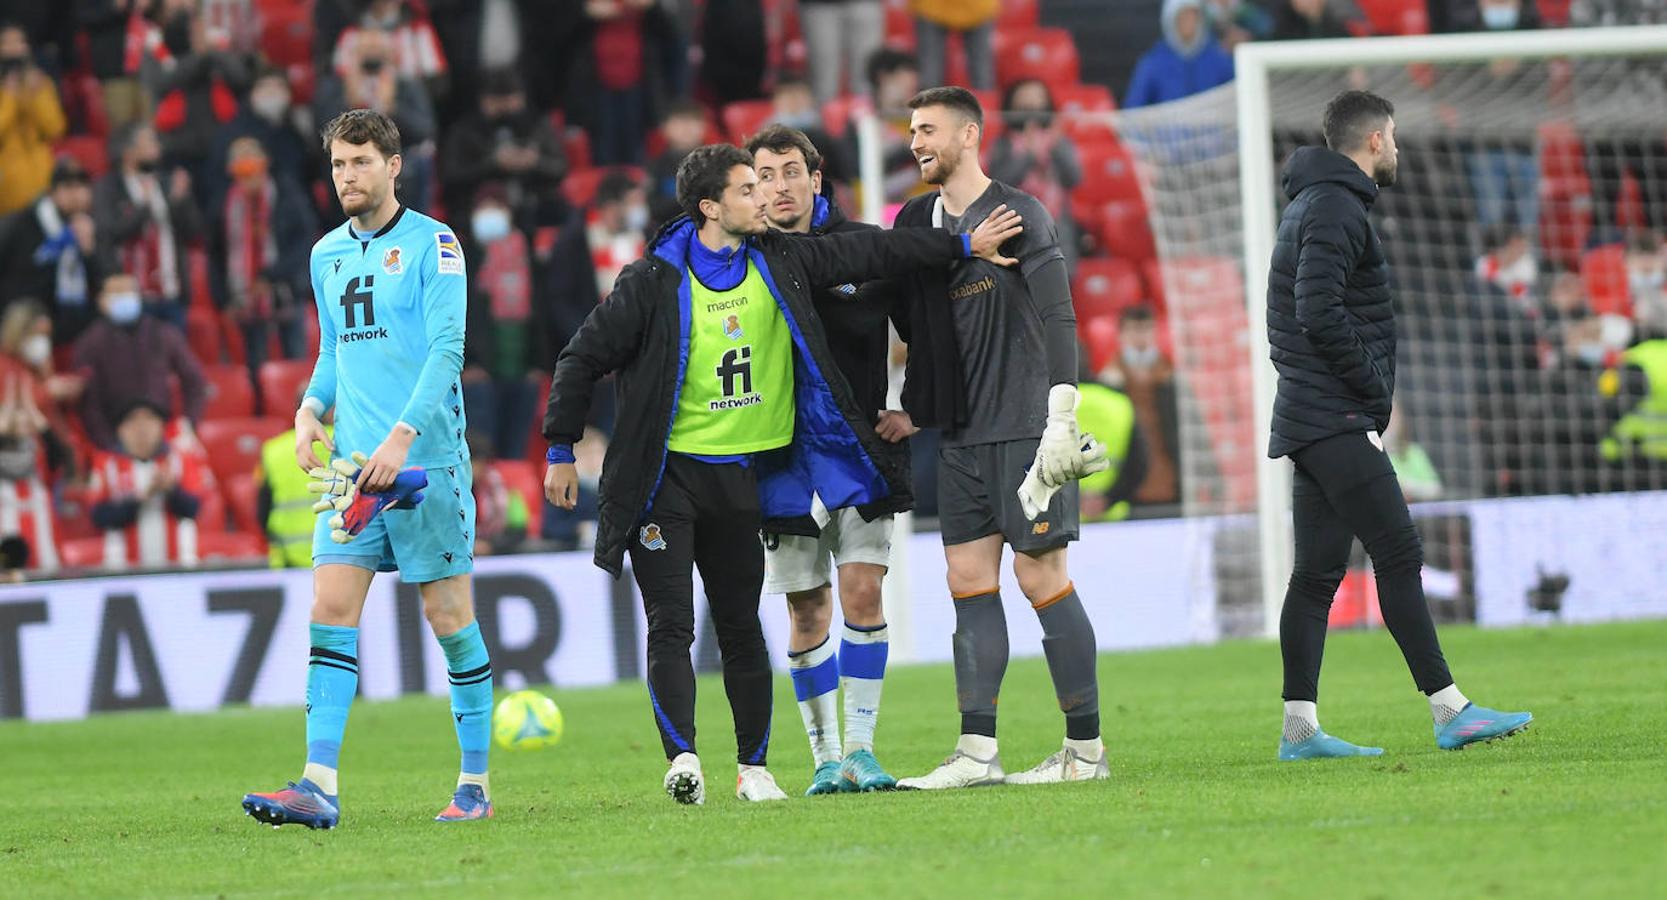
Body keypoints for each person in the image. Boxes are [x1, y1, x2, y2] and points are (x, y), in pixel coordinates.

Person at [541, 141, 1022, 805]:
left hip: (744, 475)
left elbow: (877, 253)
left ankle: (757, 769)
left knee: (741, 624)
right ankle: (685, 759)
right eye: (748, 187)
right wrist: (560, 448)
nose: (764, 196)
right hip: (667, 479)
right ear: (711, 207)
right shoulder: (653, 280)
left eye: (769, 181)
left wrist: (962, 244)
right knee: (673, 625)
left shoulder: (780, 258)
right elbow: (580, 357)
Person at [240, 109, 494, 829]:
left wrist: (403, 439)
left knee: (448, 617)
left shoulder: (435, 245)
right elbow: (333, 349)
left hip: (424, 464)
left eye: (360, 162)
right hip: (354, 468)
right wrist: (308, 409)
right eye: (338, 165)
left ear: (393, 166)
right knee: (330, 608)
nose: (347, 176)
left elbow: (448, 350)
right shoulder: (325, 253)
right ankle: (317, 784)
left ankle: (474, 785)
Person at [1265, 90, 1531, 760]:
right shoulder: (1333, 206)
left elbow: (1300, 313)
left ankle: (1299, 731)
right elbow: (1316, 311)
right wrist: (1368, 387)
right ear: (1376, 139)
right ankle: (1450, 710)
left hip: (1313, 412)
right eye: (1396, 137)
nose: (1398, 149)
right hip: (1333, 413)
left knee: (1316, 574)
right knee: (1399, 553)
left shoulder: (1314, 203)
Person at [883, 87, 1109, 790]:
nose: (916, 142)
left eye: (929, 129)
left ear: (969, 134)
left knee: (1040, 576)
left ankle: (1085, 752)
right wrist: (918, 406)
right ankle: (976, 752)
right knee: (968, 581)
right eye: (912, 131)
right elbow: (913, 320)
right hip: (959, 435)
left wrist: (1061, 417)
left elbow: (1060, 316)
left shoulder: (1018, 213)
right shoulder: (914, 220)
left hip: (1022, 427)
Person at [744, 125, 911, 794]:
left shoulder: (864, 248)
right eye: (765, 175)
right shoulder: (741, 260)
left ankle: (861, 753)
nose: (780, 186)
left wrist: (913, 406)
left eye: (791, 171)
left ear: (816, 179)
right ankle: (824, 759)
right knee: (807, 610)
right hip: (780, 464)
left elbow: (924, 327)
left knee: (862, 590)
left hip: (859, 455)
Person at [216, 136, 317, 374]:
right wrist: (223, 297)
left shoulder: (286, 194)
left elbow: (304, 243)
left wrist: (271, 276)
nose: (248, 178)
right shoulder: (226, 204)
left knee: (296, 360)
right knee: (255, 363)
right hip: (245, 296)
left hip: (287, 290)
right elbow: (217, 252)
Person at [72, 273, 207, 453]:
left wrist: (188, 424)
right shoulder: (90, 343)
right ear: (102, 301)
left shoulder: (163, 333)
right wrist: (107, 443)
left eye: (128, 292)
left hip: (161, 432)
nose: (124, 298)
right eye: (117, 294)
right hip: (115, 436)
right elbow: (89, 402)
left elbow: (194, 380)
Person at [313, 26, 438, 212]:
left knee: (417, 162)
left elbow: (425, 129)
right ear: (354, 54)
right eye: (366, 49)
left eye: (377, 49)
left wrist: (393, 108)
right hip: (351, 160)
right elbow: (321, 131)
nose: (372, 56)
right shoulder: (335, 86)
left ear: (390, 53)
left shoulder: (406, 85)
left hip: (398, 165)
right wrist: (349, 103)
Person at [93, 124, 202, 329]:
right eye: (149, 141)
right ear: (128, 151)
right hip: (132, 298)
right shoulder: (108, 188)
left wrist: (181, 201)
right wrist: (143, 207)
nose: (157, 146)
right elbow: (110, 234)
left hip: (171, 293)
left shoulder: (166, 183)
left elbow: (193, 233)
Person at [86, 399, 212, 568]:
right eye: (132, 420)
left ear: (162, 427)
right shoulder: (107, 464)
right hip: (123, 568)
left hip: (179, 565)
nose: (142, 428)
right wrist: (140, 498)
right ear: (120, 429)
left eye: (150, 419)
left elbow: (193, 509)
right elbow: (99, 517)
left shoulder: (180, 459)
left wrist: (171, 490)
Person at [438, 67, 566, 233]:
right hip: (479, 203)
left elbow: (560, 168)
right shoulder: (464, 131)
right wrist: (493, 163)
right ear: (483, 100)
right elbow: (451, 176)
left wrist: (534, 162)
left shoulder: (537, 126)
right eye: (497, 102)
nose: (504, 109)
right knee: (488, 220)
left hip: (533, 198)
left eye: (510, 101)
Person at [987, 79, 1083, 274]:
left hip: (1056, 229)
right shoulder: (1003, 144)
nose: (1031, 107)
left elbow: (1074, 178)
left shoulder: (1059, 141)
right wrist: (1029, 155)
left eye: (1037, 99)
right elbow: (999, 183)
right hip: (1015, 230)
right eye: (1024, 100)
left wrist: (1056, 147)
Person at [0, 157, 100, 341]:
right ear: (51, 192)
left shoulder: (92, 227)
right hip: (22, 325)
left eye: (82, 187)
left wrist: (88, 253)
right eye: (68, 187)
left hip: (71, 325)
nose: (77, 195)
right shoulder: (21, 224)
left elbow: (101, 284)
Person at [1099, 305, 1180, 506]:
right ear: (1121, 335)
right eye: (1134, 329)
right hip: (1127, 483)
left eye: (1146, 329)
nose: (1140, 336)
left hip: (1169, 478)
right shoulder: (1108, 382)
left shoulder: (1172, 379)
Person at [0, 22, 67, 216]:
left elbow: (55, 129)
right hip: (7, 179)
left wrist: (36, 97)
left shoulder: (40, 83)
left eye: (20, 42)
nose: (14, 49)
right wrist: (9, 98)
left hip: (42, 174)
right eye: (7, 43)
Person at [1123, 0, 1235, 109]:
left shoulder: (1218, 59)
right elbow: (1134, 109)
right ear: (1171, 20)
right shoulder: (1153, 63)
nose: (1188, 23)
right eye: (1182, 17)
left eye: (1193, 16)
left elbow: (1234, 98)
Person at [800, 0, 884, 103]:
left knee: (866, 82)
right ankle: (824, 112)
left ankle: (866, 112)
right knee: (824, 85)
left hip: (865, 4)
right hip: (819, 6)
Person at [910, 0, 996, 92]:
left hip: (977, 9)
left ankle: (985, 98)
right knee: (930, 69)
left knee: (981, 70)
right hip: (931, 8)